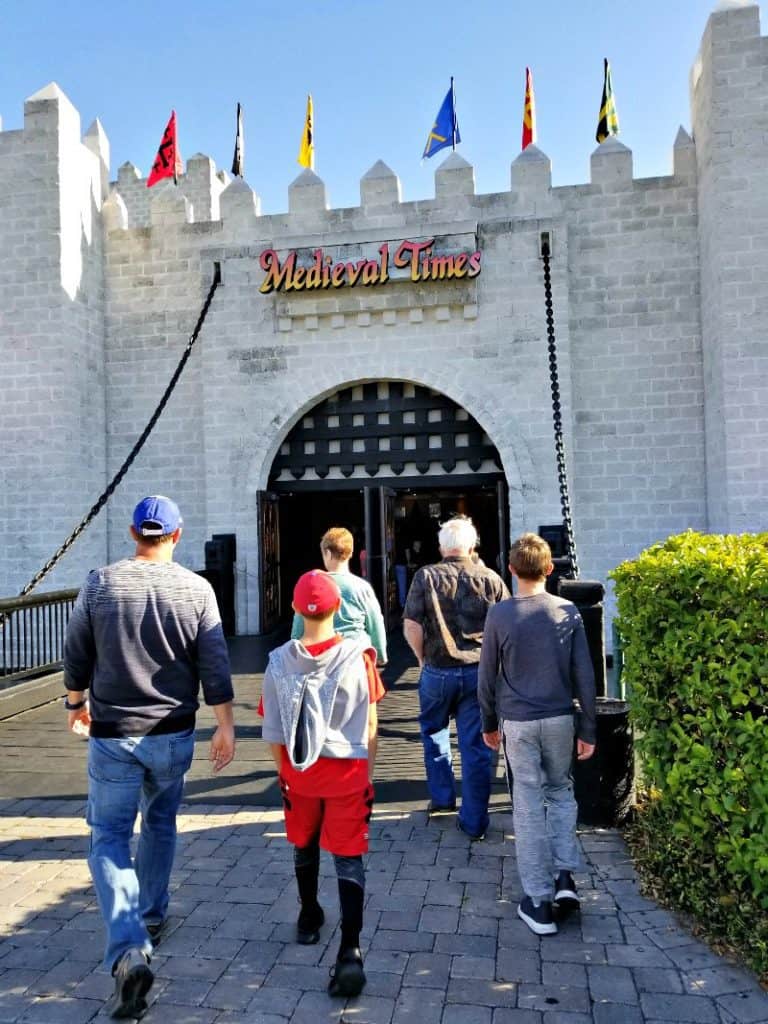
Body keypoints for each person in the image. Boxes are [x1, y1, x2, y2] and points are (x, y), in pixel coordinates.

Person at [63, 495, 236, 1019]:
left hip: (114, 731)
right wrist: (225, 725)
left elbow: (76, 650)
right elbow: (215, 662)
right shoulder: (197, 589)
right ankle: (153, 914)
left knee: (109, 837)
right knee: (161, 820)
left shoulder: (100, 583)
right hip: (173, 731)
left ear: (134, 532)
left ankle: (129, 945)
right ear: (177, 536)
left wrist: (75, 701)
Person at [260, 570, 384, 998]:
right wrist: (366, 771)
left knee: (303, 843)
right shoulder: (359, 657)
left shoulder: (277, 661)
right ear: (338, 608)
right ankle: (350, 950)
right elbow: (371, 721)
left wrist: (286, 772)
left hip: (300, 772)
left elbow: (273, 731)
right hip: (347, 770)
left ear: (295, 609)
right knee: (349, 859)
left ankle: (309, 915)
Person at [477, 532, 596, 936]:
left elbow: (487, 675)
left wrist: (488, 724)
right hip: (560, 718)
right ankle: (565, 879)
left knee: (527, 804)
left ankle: (539, 900)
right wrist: (589, 726)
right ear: (550, 569)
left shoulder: (500, 615)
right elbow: (585, 673)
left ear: (510, 569)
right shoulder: (568, 612)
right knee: (561, 793)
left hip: (519, 721)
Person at [403, 516, 509, 839]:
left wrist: (421, 658)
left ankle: (442, 799)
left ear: (441, 547)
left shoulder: (426, 577)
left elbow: (412, 625)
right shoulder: (491, 579)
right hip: (478, 671)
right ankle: (475, 821)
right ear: (473, 545)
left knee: (434, 732)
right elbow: (506, 626)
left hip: (437, 668)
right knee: (476, 746)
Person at [291, 527, 387, 666]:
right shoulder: (362, 587)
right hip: (357, 656)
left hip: (323, 658)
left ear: (328, 554)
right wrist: (380, 654)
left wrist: (295, 648)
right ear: (351, 553)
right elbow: (375, 622)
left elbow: (299, 626)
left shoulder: (314, 586)